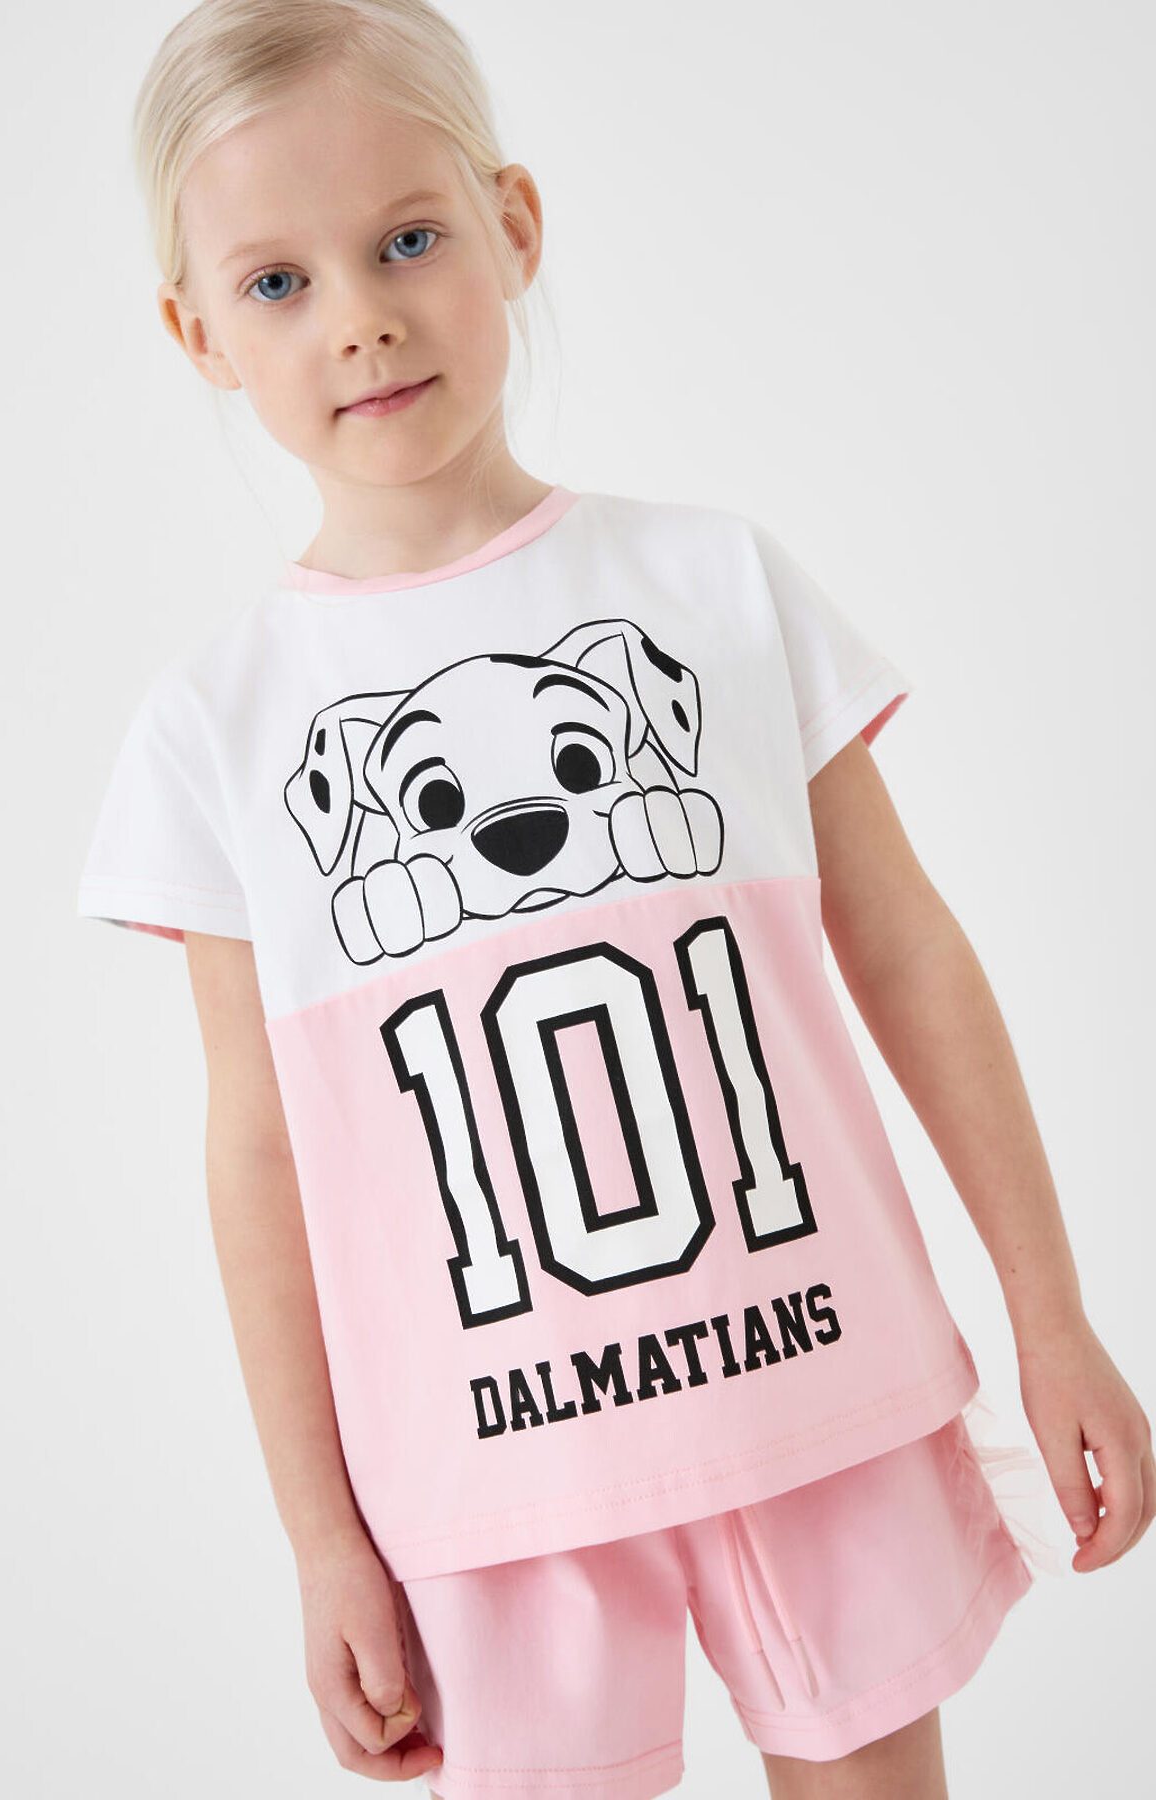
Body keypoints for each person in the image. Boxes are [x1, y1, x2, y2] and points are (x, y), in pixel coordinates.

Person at [75, 3, 1153, 1797]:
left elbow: (909, 954)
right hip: (494, 1478)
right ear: (199, 334)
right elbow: (258, 1154)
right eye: (277, 282)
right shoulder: (219, 729)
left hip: (813, 1383)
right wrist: (322, 1536)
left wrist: (1053, 1314)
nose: (359, 317)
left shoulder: (714, 587)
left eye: (406, 239)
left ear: (512, 225)